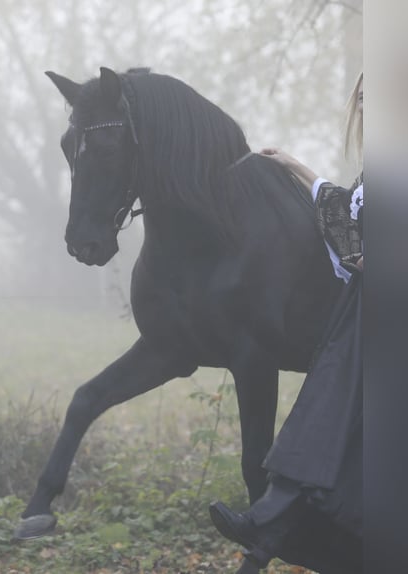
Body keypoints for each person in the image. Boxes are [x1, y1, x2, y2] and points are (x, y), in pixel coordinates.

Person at [209, 71, 364, 570]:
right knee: (323, 421)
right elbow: (349, 215)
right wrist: (294, 166)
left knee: (333, 424)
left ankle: (264, 531)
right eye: (361, 95)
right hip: (362, 313)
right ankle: (264, 531)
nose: (365, 103)